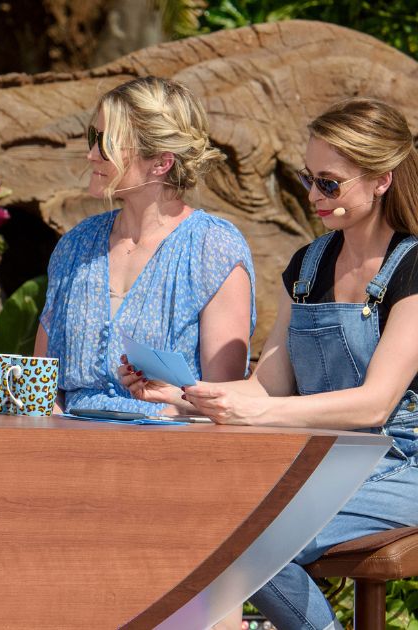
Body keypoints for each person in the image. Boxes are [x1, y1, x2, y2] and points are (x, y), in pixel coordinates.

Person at [123, 97, 418, 629]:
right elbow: (267, 386)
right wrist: (184, 398)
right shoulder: (307, 265)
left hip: (405, 464)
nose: (312, 196)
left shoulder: (414, 267)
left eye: (329, 184)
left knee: (243, 539)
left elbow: (377, 402)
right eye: (310, 179)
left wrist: (252, 415)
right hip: (328, 461)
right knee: (203, 519)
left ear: (381, 181)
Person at [34, 76, 255, 414]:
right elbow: (45, 389)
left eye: (106, 142)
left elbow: (225, 403)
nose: (91, 154)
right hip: (70, 449)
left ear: (161, 162)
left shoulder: (213, 249)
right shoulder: (76, 246)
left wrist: (173, 402)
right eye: (93, 138)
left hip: (168, 452)